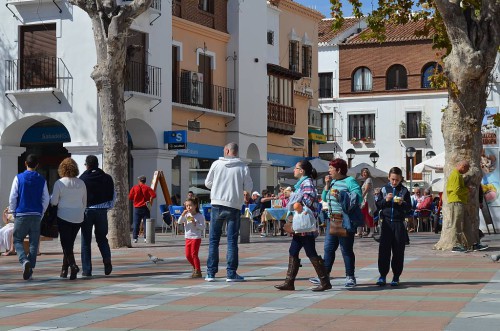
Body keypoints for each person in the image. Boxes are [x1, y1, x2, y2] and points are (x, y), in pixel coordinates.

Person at [275, 159, 331, 292]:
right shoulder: (302, 183)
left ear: (302, 171)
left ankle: (324, 281)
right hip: (301, 226)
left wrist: (292, 195)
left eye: (296, 168)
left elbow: (308, 200)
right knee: (293, 251)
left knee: (310, 251)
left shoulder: (307, 183)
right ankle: (289, 282)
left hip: (305, 224)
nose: (294, 170)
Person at [310, 158, 362, 288]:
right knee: (328, 249)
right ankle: (324, 276)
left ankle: (350, 277)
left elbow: (358, 197)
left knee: (346, 250)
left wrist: (341, 195)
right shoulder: (333, 182)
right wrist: (327, 186)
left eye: (331, 169)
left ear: (338, 170)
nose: (329, 171)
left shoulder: (350, 181)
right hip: (331, 220)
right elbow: (324, 198)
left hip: (344, 220)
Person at [204, 142, 253, 282]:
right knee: (232, 240)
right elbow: (248, 185)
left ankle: (210, 273)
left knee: (214, 239)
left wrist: (218, 186)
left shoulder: (216, 164)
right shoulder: (243, 166)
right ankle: (231, 274)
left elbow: (208, 183)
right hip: (234, 205)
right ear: (236, 152)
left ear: (226, 150)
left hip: (217, 203)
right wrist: (244, 192)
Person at [9, 154, 50, 280]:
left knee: (17, 240)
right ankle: (30, 267)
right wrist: (41, 212)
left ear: (25, 163)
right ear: (37, 165)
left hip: (21, 213)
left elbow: (13, 196)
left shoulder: (19, 178)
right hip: (36, 214)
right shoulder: (42, 179)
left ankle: (24, 260)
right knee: (33, 242)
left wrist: (13, 211)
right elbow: (46, 199)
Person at [51, 157, 87, 280]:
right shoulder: (81, 183)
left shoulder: (59, 183)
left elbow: (54, 201)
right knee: (69, 244)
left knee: (65, 244)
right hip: (78, 216)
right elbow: (84, 202)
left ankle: (73, 265)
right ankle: (64, 269)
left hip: (64, 216)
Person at [79, 155, 115, 277]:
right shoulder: (107, 178)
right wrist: (107, 207)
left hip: (87, 211)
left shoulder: (83, 178)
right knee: (102, 238)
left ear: (87, 165)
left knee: (85, 241)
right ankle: (107, 259)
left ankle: (87, 270)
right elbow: (113, 195)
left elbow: (80, 197)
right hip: (102, 211)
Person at [375, 167, 411, 286]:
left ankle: (396, 276)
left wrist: (402, 203)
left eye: (397, 179)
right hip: (386, 223)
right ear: (388, 178)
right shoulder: (384, 189)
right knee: (384, 251)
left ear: (401, 179)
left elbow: (409, 209)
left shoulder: (404, 191)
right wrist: (386, 200)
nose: (394, 182)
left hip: (398, 223)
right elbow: (378, 205)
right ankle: (382, 275)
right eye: (392, 179)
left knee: (398, 251)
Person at [446, 160, 471, 252]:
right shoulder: (456, 175)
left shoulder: (458, 175)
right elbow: (457, 190)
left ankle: (472, 244)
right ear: (463, 166)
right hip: (456, 202)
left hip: (460, 202)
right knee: (456, 224)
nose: (467, 171)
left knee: (465, 224)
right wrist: (467, 189)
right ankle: (456, 245)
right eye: (467, 169)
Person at [178, 197, 206, 278]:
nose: (188, 207)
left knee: (194, 254)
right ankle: (196, 268)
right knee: (187, 255)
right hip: (188, 237)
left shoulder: (200, 216)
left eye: (190, 205)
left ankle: (197, 271)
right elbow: (179, 222)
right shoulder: (186, 215)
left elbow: (203, 227)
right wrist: (182, 215)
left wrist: (195, 223)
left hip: (196, 237)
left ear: (195, 206)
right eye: (187, 206)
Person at [129, 175, 157, 243]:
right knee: (146, 223)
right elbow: (154, 195)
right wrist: (149, 199)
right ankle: (146, 238)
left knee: (136, 223)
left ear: (139, 181)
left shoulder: (134, 188)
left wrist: (135, 199)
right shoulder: (147, 188)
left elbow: (130, 197)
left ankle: (135, 238)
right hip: (145, 207)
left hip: (137, 208)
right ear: (145, 181)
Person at [358, 168, 376, 238]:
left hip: (368, 200)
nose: (364, 173)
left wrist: (361, 197)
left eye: (365, 172)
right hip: (365, 200)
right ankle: (364, 231)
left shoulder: (368, 179)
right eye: (363, 172)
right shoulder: (365, 180)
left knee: (369, 215)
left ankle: (371, 231)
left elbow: (367, 189)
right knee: (363, 215)